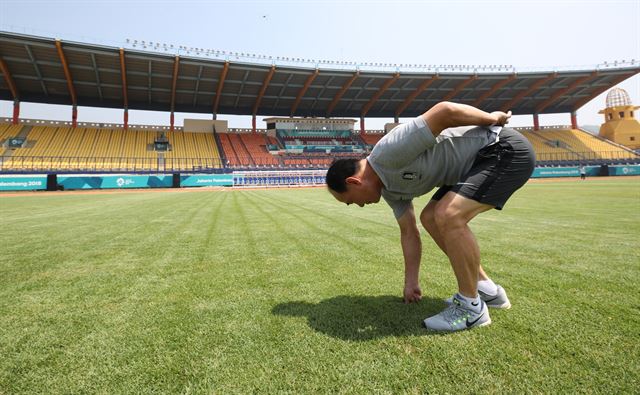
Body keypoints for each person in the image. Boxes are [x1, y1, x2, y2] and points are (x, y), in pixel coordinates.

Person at [325, 101, 535, 332]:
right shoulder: (390, 191)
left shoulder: (388, 152)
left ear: (353, 182)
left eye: (351, 201)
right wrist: (411, 282)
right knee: (431, 217)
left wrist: (491, 117)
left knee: (448, 215)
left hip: (502, 148)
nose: (358, 205)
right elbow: (409, 232)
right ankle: (487, 290)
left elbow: (445, 111)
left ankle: (471, 308)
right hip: (476, 164)